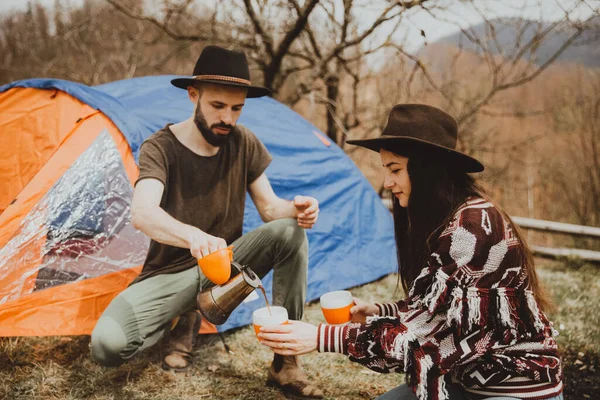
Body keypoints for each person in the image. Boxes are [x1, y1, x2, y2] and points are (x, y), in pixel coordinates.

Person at [258, 104, 563, 400]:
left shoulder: (472, 228)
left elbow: (425, 341)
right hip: (460, 381)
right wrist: (379, 312)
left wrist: (321, 337)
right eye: (385, 170)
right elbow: (437, 313)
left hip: (515, 387)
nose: (388, 182)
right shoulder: (444, 219)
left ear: (427, 170)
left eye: (395, 170)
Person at [90, 45, 324, 399]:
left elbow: (271, 209)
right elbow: (143, 212)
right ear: (193, 95)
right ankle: (178, 320)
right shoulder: (160, 147)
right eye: (218, 106)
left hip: (225, 266)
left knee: (291, 233)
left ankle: (286, 362)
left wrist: (299, 208)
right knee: (106, 345)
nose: (227, 118)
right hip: (170, 275)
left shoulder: (243, 141)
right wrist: (191, 236)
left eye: (237, 109)